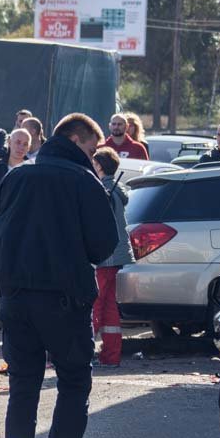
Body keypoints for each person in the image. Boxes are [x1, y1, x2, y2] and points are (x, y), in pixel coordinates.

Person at [0, 113, 118, 438]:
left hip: (15, 298)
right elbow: (103, 246)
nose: (93, 157)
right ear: (75, 141)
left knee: (23, 385)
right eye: (91, 150)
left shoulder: (16, 176)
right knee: (74, 382)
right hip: (64, 299)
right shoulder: (84, 181)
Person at [90, 148, 134, 368]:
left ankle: (85, 353)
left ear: (99, 166)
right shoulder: (116, 191)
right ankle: (110, 356)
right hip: (116, 257)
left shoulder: (101, 190)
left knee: (94, 306)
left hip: (103, 258)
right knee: (108, 307)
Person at [0, 128, 32, 195]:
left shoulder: (32, 172)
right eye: (18, 142)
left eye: (25, 144)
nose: (21, 147)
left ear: (29, 148)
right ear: (9, 142)